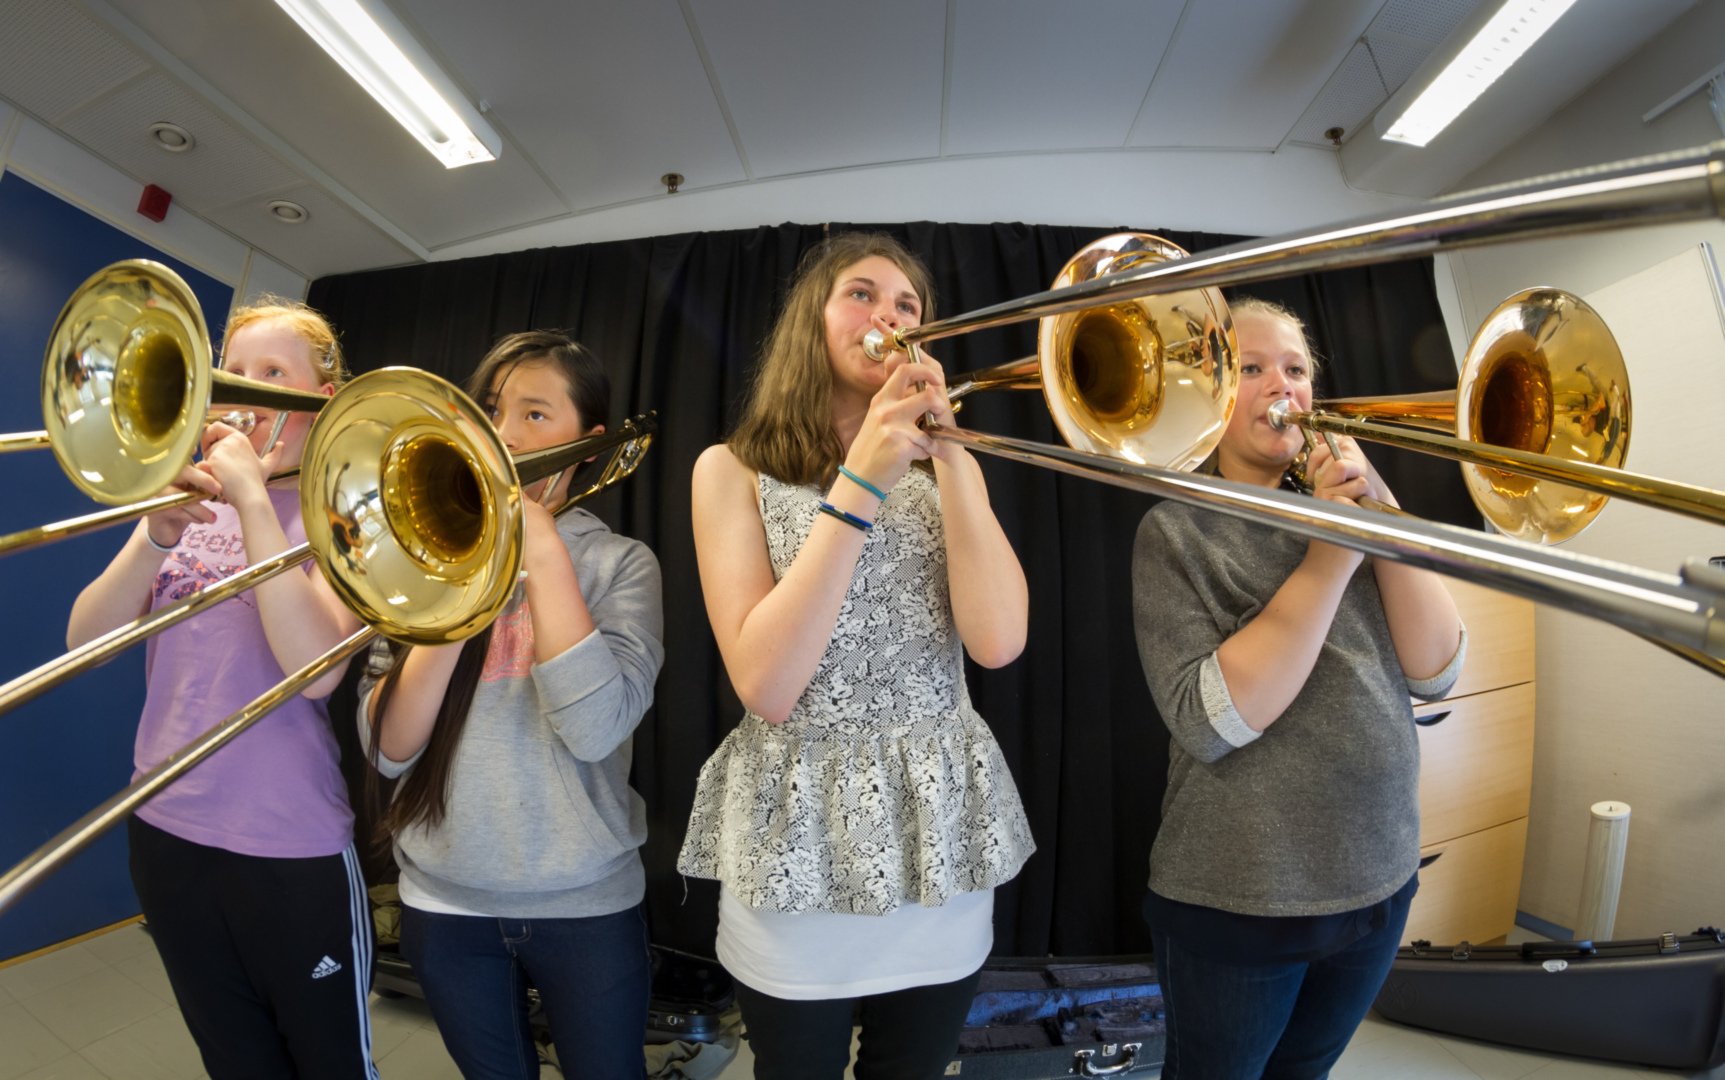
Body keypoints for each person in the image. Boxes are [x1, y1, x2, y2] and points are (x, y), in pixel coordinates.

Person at [677, 232, 1036, 1080]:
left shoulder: (947, 472)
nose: (891, 317)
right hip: (794, 841)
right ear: (814, 320)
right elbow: (766, 684)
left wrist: (951, 458)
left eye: (909, 306)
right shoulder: (730, 470)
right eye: (863, 294)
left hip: (933, 838)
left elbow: (999, 641)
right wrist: (862, 481)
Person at [1132, 297, 1467, 1079]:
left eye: (1295, 369)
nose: (1278, 386)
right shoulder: (1176, 531)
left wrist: (1377, 507)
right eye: (1250, 368)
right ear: (1213, 390)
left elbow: (1438, 670)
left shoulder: (1351, 507)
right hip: (1242, 898)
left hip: (1379, 878)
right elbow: (1213, 719)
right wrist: (1330, 553)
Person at [66, 299, 375, 1079]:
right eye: (236, 376)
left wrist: (250, 501)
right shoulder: (180, 508)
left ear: (323, 402)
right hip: (165, 824)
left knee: (330, 1063)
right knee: (234, 1059)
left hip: (288, 844)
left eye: (277, 376)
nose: (252, 396)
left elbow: (317, 673)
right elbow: (84, 644)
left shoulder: (351, 521)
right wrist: (158, 531)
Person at [358, 331, 664, 1080]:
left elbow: (595, 731)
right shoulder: (420, 557)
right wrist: (462, 580)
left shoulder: (621, 564)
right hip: (443, 905)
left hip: (587, 907)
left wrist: (541, 550)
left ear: (586, 444)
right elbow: (388, 750)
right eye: (491, 410)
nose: (503, 433)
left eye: (534, 414)